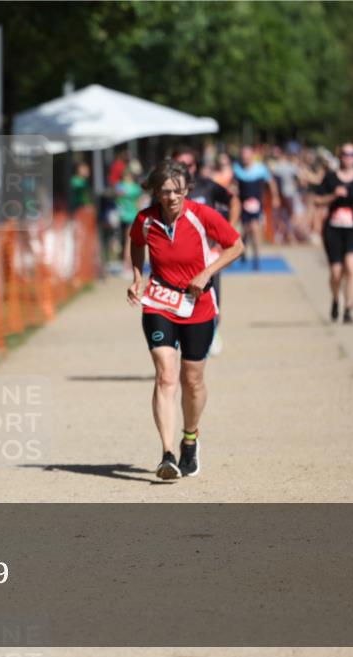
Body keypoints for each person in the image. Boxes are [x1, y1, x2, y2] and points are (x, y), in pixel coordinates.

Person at [127, 160, 244, 480]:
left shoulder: (201, 214)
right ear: (156, 193)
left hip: (198, 305)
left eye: (179, 191)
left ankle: (189, 438)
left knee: (191, 380)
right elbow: (136, 242)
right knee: (166, 374)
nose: (173, 197)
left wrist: (206, 273)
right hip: (159, 302)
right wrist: (138, 277)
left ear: (187, 190)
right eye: (166, 191)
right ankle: (167, 454)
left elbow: (236, 245)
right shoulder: (145, 220)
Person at [172, 146, 240, 356]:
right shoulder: (168, 191)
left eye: (189, 165)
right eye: (180, 165)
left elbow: (233, 201)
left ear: (196, 166)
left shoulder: (207, 186)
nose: (185, 169)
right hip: (178, 255)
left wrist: (226, 232)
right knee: (178, 295)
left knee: (210, 294)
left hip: (207, 253)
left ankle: (213, 329)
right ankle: (179, 336)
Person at [318, 143, 353, 324]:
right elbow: (317, 200)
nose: (348, 157)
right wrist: (333, 195)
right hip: (333, 229)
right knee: (336, 273)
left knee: (351, 267)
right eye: (344, 154)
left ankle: (349, 309)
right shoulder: (330, 177)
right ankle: (336, 299)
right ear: (339, 156)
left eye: (352, 154)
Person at [233, 146, 279, 270]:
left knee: (255, 228)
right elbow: (235, 185)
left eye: (247, 155)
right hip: (243, 204)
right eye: (243, 155)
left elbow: (271, 183)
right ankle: (243, 248)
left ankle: (257, 257)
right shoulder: (237, 169)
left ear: (252, 155)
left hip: (257, 204)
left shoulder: (260, 169)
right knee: (246, 229)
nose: (245, 158)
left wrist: (275, 197)